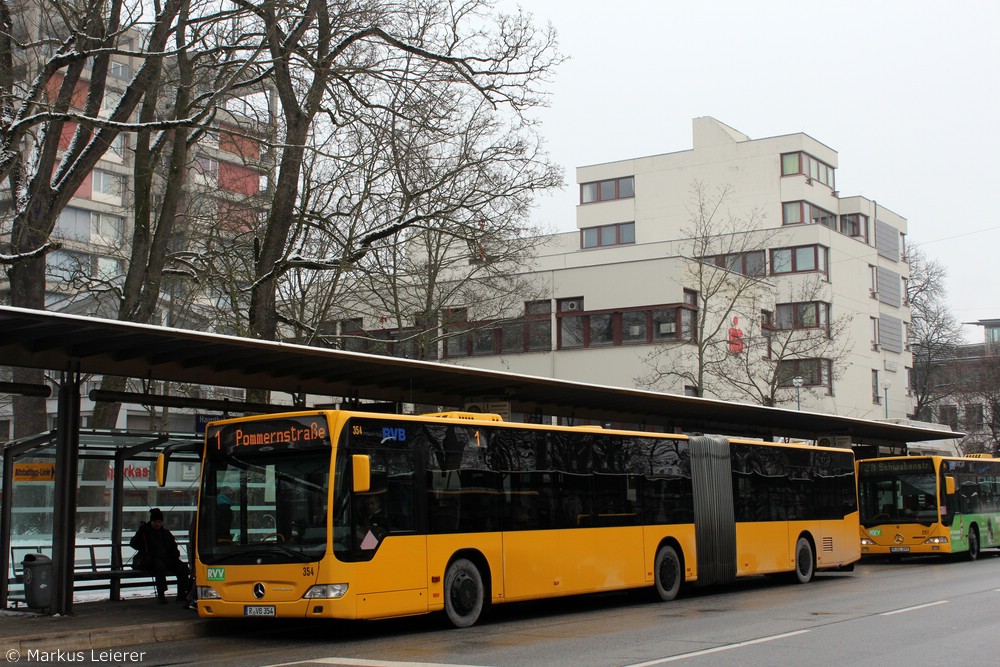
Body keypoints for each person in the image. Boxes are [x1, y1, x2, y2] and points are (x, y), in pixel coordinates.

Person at [130, 508, 190, 604]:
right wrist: (140, 532)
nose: (157, 524)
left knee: (183, 568)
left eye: (159, 522)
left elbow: (174, 547)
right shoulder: (144, 532)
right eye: (155, 522)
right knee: (159, 567)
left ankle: (181, 595)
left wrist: (175, 556)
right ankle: (161, 596)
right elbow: (133, 544)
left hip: (167, 560)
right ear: (151, 521)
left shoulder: (165, 533)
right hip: (149, 560)